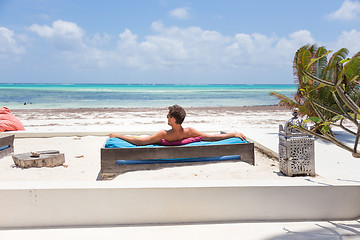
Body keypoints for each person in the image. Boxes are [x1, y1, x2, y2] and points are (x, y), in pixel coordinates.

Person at [109, 104, 246, 146]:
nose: (167, 117)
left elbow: (139, 142)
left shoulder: (164, 134)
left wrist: (118, 135)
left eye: (168, 116)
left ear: (173, 119)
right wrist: (233, 134)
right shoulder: (189, 131)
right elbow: (211, 137)